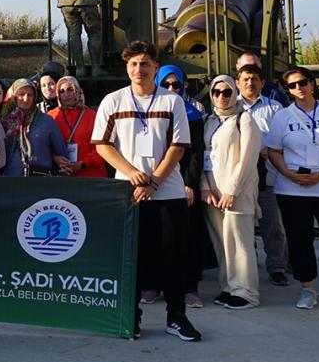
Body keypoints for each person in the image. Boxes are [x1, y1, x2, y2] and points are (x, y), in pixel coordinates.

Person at [92, 41, 201, 341]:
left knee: (173, 257)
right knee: (132, 259)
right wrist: (132, 175)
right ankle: (131, 318)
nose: (139, 69)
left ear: (155, 67)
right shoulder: (113, 101)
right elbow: (102, 145)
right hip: (129, 193)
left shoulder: (172, 101)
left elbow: (178, 147)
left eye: (145, 64)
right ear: (127, 68)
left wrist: (153, 182)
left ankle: (177, 317)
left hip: (168, 192)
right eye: (133, 64)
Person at [266, 65, 319, 311]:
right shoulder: (282, 116)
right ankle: (308, 287)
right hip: (293, 188)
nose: (299, 88)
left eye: (303, 82)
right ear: (288, 90)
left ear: (312, 84)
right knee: (300, 239)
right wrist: (288, 173)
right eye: (292, 85)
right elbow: (273, 150)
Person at [198, 75, 261, 310]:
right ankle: (228, 287)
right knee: (222, 244)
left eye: (227, 92)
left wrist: (232, 190)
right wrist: (205, 187)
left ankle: (246, 292)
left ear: (234, 93)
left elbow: (247, 159)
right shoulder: (209, 120)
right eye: (216, 92)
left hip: (237, 192)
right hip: (213, 193)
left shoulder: (244, 119)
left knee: (240, 243)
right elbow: (202, 156)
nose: (221, 97)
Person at [156, 64, 211, 308]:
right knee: (157, 236)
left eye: (175, 84)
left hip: (182, 182)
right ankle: (153, 284)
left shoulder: (192, 114)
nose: (171, 89)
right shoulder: (150, 111)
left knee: (187, 236)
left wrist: (190, 183)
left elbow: (196, 153)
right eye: (165, 84)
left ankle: (189, 287)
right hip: (156, 182)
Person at [236, 63, 291, 286]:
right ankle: (246, 269)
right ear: (238, 82)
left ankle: (277, 267)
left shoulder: (275, 108)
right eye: (245, 79)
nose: (250, 83)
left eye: (255, 79)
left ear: (262, 83)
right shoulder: (230, 105)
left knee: (273, 225)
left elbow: (285, 139)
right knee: (242, 227)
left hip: (268, 175)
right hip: (240, 177)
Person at [1, 79, 72, 178]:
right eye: (21, 94)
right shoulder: (4, 122)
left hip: (40, 179)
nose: (26, 99)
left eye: (30, 95)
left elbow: (61, 153)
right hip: (10, 179)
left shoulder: (47, 121)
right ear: (13, 96)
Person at [49, 76, 104, 178]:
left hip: (90, 174)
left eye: (70, 90)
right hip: (61, 173)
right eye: (62, 91)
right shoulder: (51, 116)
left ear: (78, 91)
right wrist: (55, 158)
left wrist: (82, 164)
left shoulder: (93, 116)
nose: (66, 95)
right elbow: (44, 145)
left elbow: (102, 148)